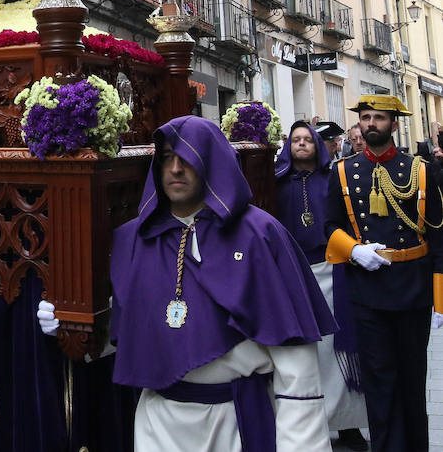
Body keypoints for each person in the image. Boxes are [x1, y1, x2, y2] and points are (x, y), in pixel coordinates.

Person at [40, 115, 336, 451]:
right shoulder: (134, 238)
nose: (176, 168)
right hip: (158, 424)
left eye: (188, 158)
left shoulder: (260, 235)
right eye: (167, 158)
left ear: (212, 161)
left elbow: (296, 362)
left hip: (236, 424)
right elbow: (132, 326)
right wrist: (71, 323)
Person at [325, 94, 443, 452]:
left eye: (378, 117)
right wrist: (355, 250)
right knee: (378, 380)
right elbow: (330, 227)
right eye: (365, 117)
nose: (370, 123)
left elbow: (438, 236)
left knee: (411, 379)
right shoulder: (342, 171)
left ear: (394, 124)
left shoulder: (420, 170)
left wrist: (440, 301)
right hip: (368, 290)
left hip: (413, 288)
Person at [275, 122, 368, 450]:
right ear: (289, 145)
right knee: (304, 352)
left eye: (306, 139)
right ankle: (307, 423)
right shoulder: (274, 182)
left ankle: (347, 424)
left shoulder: (333, 179)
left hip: (331, 271)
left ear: (316, 144)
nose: (301, 144)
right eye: (295, 140)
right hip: (293, 275)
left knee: (335, 348)